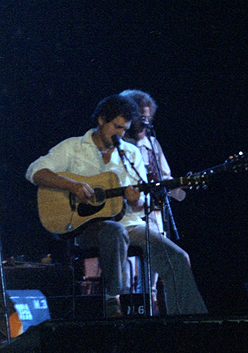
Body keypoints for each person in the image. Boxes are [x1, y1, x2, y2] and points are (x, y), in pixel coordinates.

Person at [26, 94, 207, 317]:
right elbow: (35, 171)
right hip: (85, 228)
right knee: (115, 231)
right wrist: (72, 186)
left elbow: (143, 201)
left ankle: (191, 320)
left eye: (125, 129)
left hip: (130, 223)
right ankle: (113, 299)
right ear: (102, 119)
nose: (121, 134)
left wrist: (135, 200)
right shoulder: (73, 147)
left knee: (177, 257)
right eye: (117, 127)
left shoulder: (130, 153)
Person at [119, 89, 185, 311]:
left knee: (151, 280)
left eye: (148, 117)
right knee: (126, 281)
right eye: (140, 117)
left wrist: (178, 184)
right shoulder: (117, 143)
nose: (145, 122)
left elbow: (166, 178)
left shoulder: (152, 145)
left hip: (153, 218)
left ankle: (151, 318)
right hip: (126, 218)